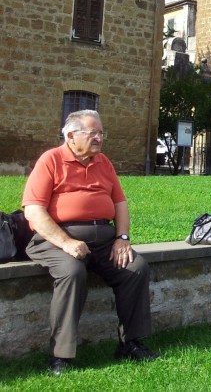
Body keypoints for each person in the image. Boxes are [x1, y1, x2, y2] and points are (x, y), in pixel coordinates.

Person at [22, 110, 158, 376]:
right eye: (93, 133)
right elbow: (34, 211)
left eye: (101, 133)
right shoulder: (51, 160)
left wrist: (122, 238)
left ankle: (130, 343)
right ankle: (60, 356)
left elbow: (120, 203)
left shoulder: (103, 162)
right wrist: (66, 242)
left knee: (135, 268)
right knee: (72, 272)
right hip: (55, 238)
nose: (99, 138)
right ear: (71, 136)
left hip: (103, 240)